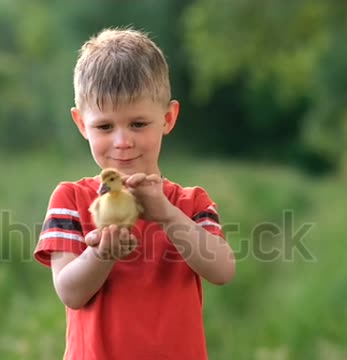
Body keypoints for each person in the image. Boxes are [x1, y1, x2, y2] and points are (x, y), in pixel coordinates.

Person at [34, 27, 236, 360]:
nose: (122, 141)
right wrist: (102, 254)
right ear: (82, 124)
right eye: (104, 126)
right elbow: (70, 292)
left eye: (138, 124)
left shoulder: (190, 203)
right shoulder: (70, 199)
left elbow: (223, 271)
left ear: (168, 118)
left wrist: (168, 216)